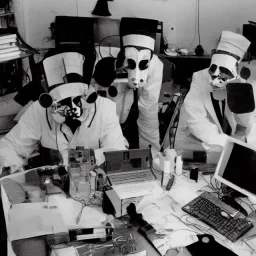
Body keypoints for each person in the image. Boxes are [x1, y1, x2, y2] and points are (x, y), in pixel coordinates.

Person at [0, 52, 127, 174]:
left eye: (76, 101)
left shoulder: (105, 109)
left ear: (88, 95)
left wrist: (74, 158)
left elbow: (117, 154)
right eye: (62, 103)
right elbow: (12, 144)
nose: (69, 111)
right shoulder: (40, 110)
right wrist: (6, 165)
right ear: (49, 101)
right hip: (53, 188)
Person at [175, 31, 256, 153]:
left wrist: (239, 144)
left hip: (234, 141)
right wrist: (227, 143)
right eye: (213, 72)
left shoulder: (245, 84)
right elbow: (197, 122)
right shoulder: (200, 78)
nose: (215, 81)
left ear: (237, 70)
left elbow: (248, 125)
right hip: (202, 142)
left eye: (225, 72)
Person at [94, 17, 164, 153]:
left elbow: (148, 109)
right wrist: (116, 67)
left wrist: (153, 153)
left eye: (144, 65)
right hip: (102, 120)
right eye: (131, 63)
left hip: (130, 118)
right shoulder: (104, 57)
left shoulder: (155, 65)